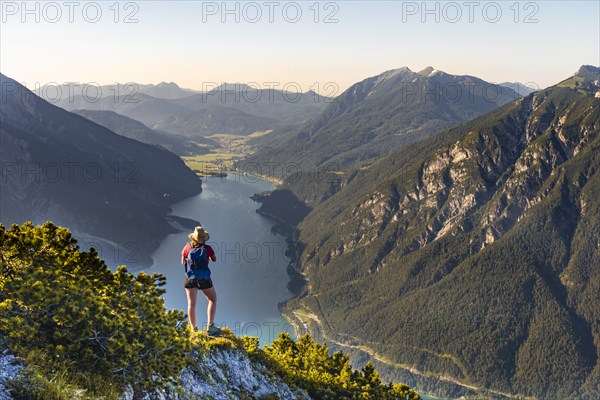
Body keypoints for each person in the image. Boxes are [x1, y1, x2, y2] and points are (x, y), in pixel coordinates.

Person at [181, 226, 220, 335]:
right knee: (212, 299)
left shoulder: (187, 248)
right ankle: (210, 327)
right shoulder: (208, 248)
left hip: (189, 278)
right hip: (204, 278)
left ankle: (194, 329)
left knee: (191, 304)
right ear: (204, 239)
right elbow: (214, 259)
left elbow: (182, 261)